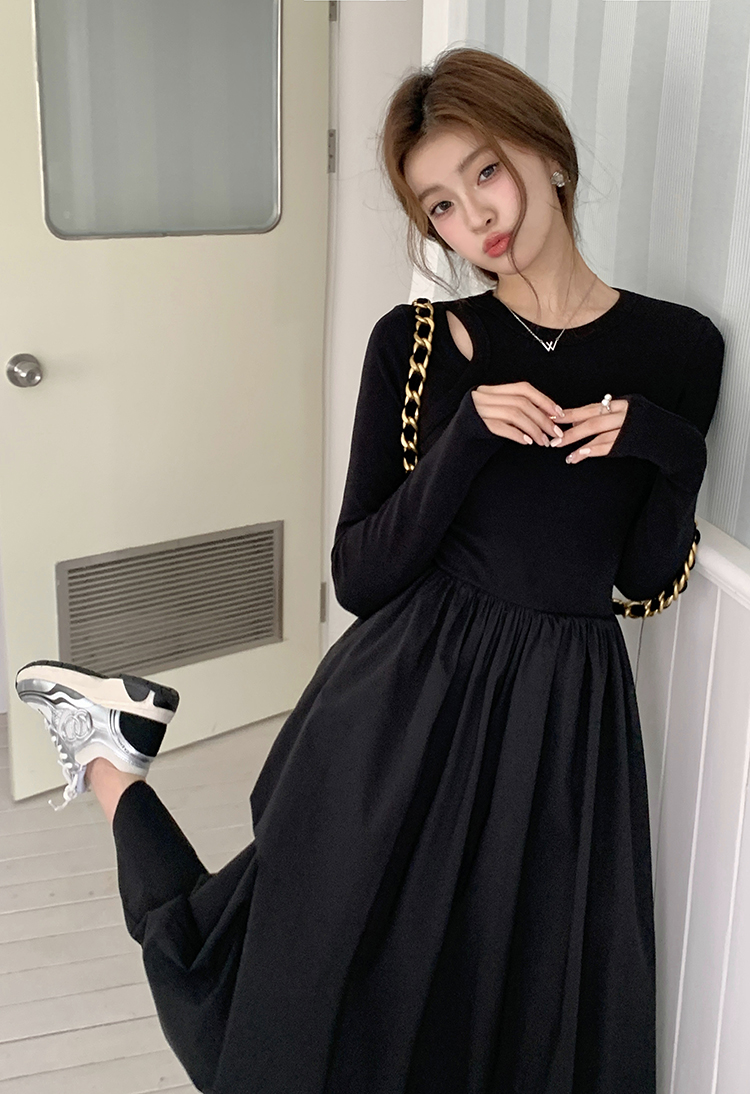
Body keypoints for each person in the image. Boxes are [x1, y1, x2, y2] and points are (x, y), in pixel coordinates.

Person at [15, 45, 724, 1094]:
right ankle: (107, 750)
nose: (475, 217)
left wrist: (667, 443)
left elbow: (645, 576)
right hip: (407, 703)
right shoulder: (421, 344)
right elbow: (359, 572)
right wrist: (466, 438)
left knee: (515, 1014)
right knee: (282, 1002)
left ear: (549, 153)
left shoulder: (681, 348)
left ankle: (105, 736)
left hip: (563, 719)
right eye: (439, 205)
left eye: (485, 171)